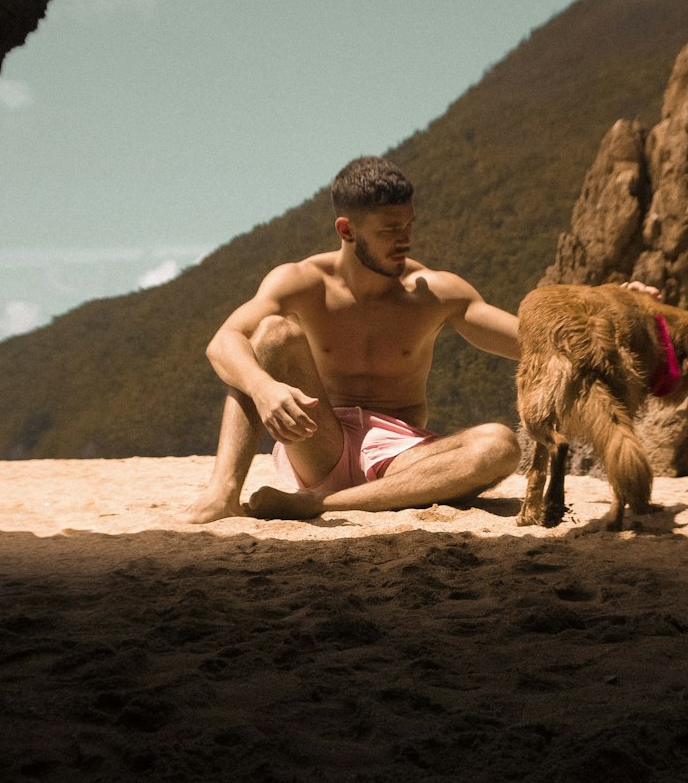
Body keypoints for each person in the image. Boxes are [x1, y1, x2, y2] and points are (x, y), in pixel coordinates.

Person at [186, 156, 523, 523]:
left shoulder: (434, 293)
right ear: (347, 230)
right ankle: (222, 495)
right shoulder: (303, 282)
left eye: (409, 226)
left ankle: (318, 505)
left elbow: (529, 344)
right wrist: (264, 388)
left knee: (500, 444)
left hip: (402, 457)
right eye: (389, 230)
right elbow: (223, 342)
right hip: (320, 440)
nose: (404, 241)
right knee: (271, 333)